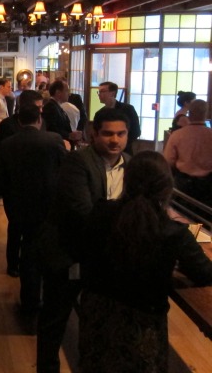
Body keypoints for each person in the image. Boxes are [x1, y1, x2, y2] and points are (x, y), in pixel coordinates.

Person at [79, 151, 212, 372]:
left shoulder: (101, 212)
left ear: (126, 180)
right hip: (143, 324)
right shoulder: (174, 232)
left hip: (97, 314)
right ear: (167, 187)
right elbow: (205, 273)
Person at [37, 108, 131, 373]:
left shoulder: (131, 164)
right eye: (108, 134)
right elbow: (83, 212)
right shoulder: (78, 162)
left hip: (104, 257)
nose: (115, 140)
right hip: (68, 252)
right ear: (94, 133)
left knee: (98, 322)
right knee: (54, 321)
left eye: (121, 134)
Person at [0, 105, 66, 307]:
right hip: (47, 203)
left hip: (16, 202)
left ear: (19, 121)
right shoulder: (54, 140)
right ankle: (42, 295)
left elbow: (0, 178)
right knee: (39, 247)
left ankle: (24, 287)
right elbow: (64, 170)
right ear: (39, 120)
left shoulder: (7, 144)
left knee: (24, 241)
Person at [163, 99, 212, 206]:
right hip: (209, 184)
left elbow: (168, 161)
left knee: (185, 214)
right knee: (204, 215)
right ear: (206, 113)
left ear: (189, 113)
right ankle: (200, 224)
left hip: (184, 183)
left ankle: (189, 223)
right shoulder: (210, 134)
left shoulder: (177, 135)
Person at [97, 81, 141, 155]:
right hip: (104, 152)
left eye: (103, 91)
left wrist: (121, 142)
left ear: (113, 93)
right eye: (99, 92)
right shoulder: (100, 113)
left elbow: (136, 131)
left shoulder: (127, 109)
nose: (99, 94)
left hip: (125, 151)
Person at [41, 80, 82, 144]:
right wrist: (69, 135)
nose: (69, 94)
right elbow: (52, 129)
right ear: (58, 93)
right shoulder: (50, 107)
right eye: (66, 91)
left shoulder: (56, 106)